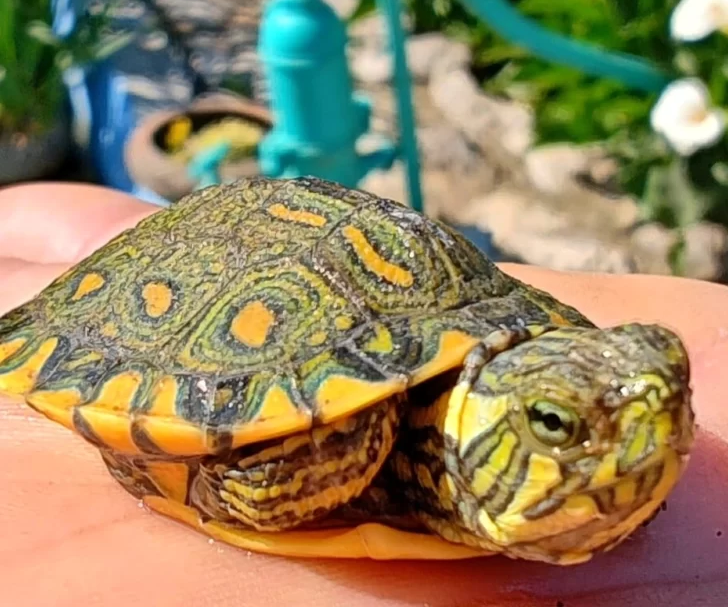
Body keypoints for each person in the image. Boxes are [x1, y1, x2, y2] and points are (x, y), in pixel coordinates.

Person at [0, 182, 725, 607]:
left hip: (435, 292)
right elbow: (327, 420)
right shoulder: (360, 432)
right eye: (556, 424)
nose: (661, 432)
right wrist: (285, 466)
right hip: (218, 282)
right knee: (355, 430)